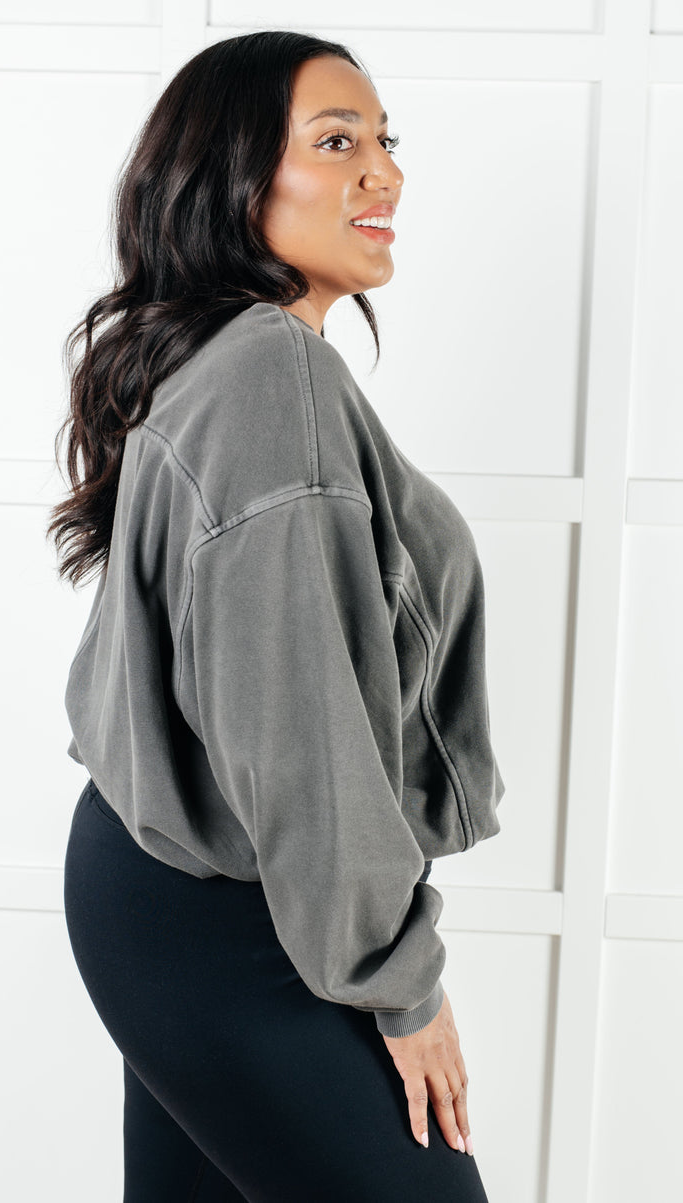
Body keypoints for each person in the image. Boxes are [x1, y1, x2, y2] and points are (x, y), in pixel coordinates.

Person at [49, 29, 505, 1203]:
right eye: (335, 142)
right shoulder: (268, 377)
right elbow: (304, 734)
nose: (382, 172)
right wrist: (400, 987)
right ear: (233, 176)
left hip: (160, 887)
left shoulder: (217, 357)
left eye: (383, 141)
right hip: (236, 920)